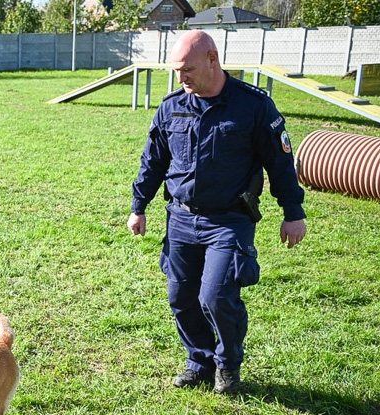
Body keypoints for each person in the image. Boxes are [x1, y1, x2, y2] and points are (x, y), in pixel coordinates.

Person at [127, 31, 307, 395]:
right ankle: (200, 361)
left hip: (229, 219)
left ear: (213, 59)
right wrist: (138, 206)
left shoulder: (253, 106)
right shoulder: (173, 106)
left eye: (187, 69)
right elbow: (154, 162)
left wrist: (293, 212)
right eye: (177, 71)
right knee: (181, 297)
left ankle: (227, 364)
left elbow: (280, 163)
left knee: (216, 296)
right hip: (180, 217)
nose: (182, 78)